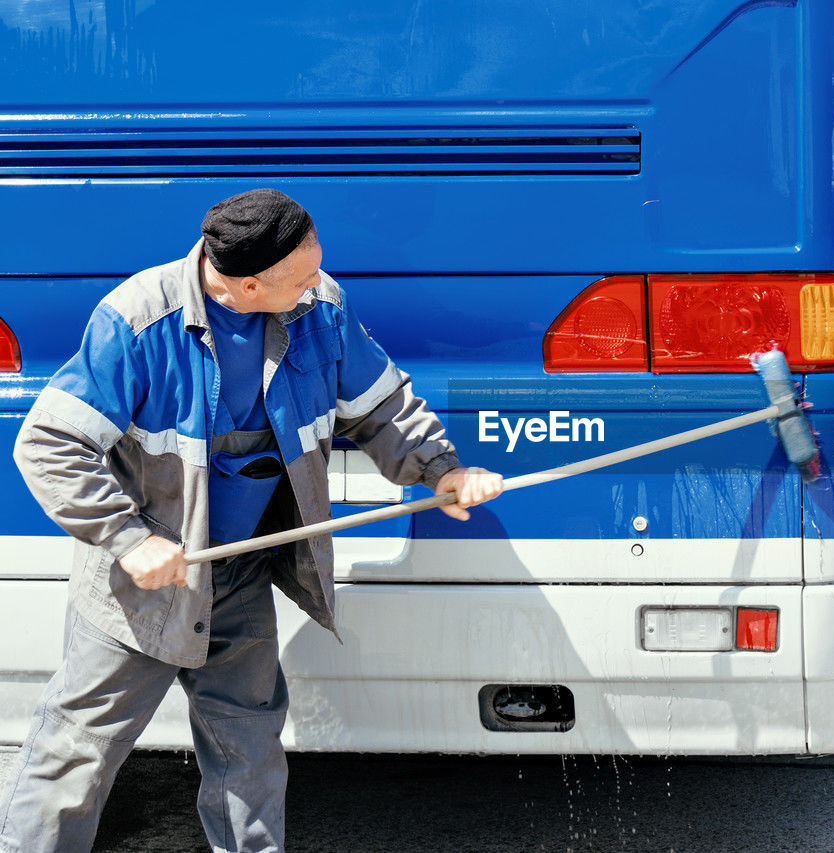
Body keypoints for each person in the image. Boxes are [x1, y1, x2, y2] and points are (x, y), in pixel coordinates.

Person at [0, 189, 502, 852]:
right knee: (74, 756)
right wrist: (128, 538)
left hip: (235, 579)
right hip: (138, 594)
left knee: (250, 756)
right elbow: (47, 443)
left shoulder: (320, 308)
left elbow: (382, 405)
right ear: (242, 284)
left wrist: (441, 469)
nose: (316, 285)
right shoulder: (137, 321)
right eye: (298, 277)